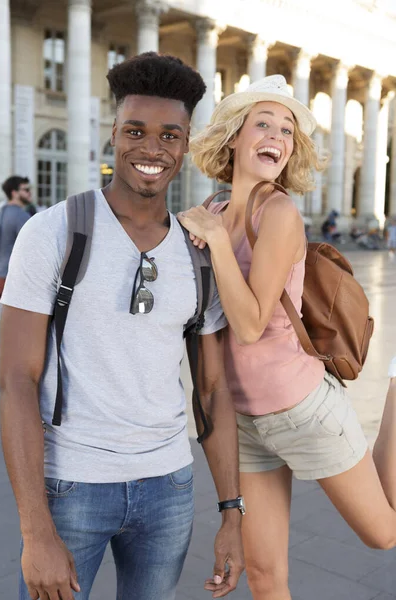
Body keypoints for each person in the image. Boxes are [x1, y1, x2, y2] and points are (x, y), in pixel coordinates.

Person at [0, 53, 244, 600]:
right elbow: (15, 379)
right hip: (71, 486)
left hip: (170, 488)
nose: (152, 148)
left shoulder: (199, 253)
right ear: (113, 135)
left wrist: (232, 511)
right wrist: (35, 528)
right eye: (135, 130)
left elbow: (212, 389)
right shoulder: (53, 232)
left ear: (186, 145)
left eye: (169, 135)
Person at [178, 74, 396, 599]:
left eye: (287, 129)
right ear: (234, 136)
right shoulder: (210, 213)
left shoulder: (279, 213)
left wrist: (216, 245)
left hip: (303, 408)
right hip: (244, 420)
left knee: (384, 534)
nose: (278, 134)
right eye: (264, 123)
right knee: (267, 574)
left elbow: (250, 325)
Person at [0, 176, 31, 298]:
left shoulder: (1, 211)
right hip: (13, 277)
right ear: (14, 193)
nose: (29, 193)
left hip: (0, 274)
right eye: (26, 190)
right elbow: (32, 246)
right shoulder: (21, 216)